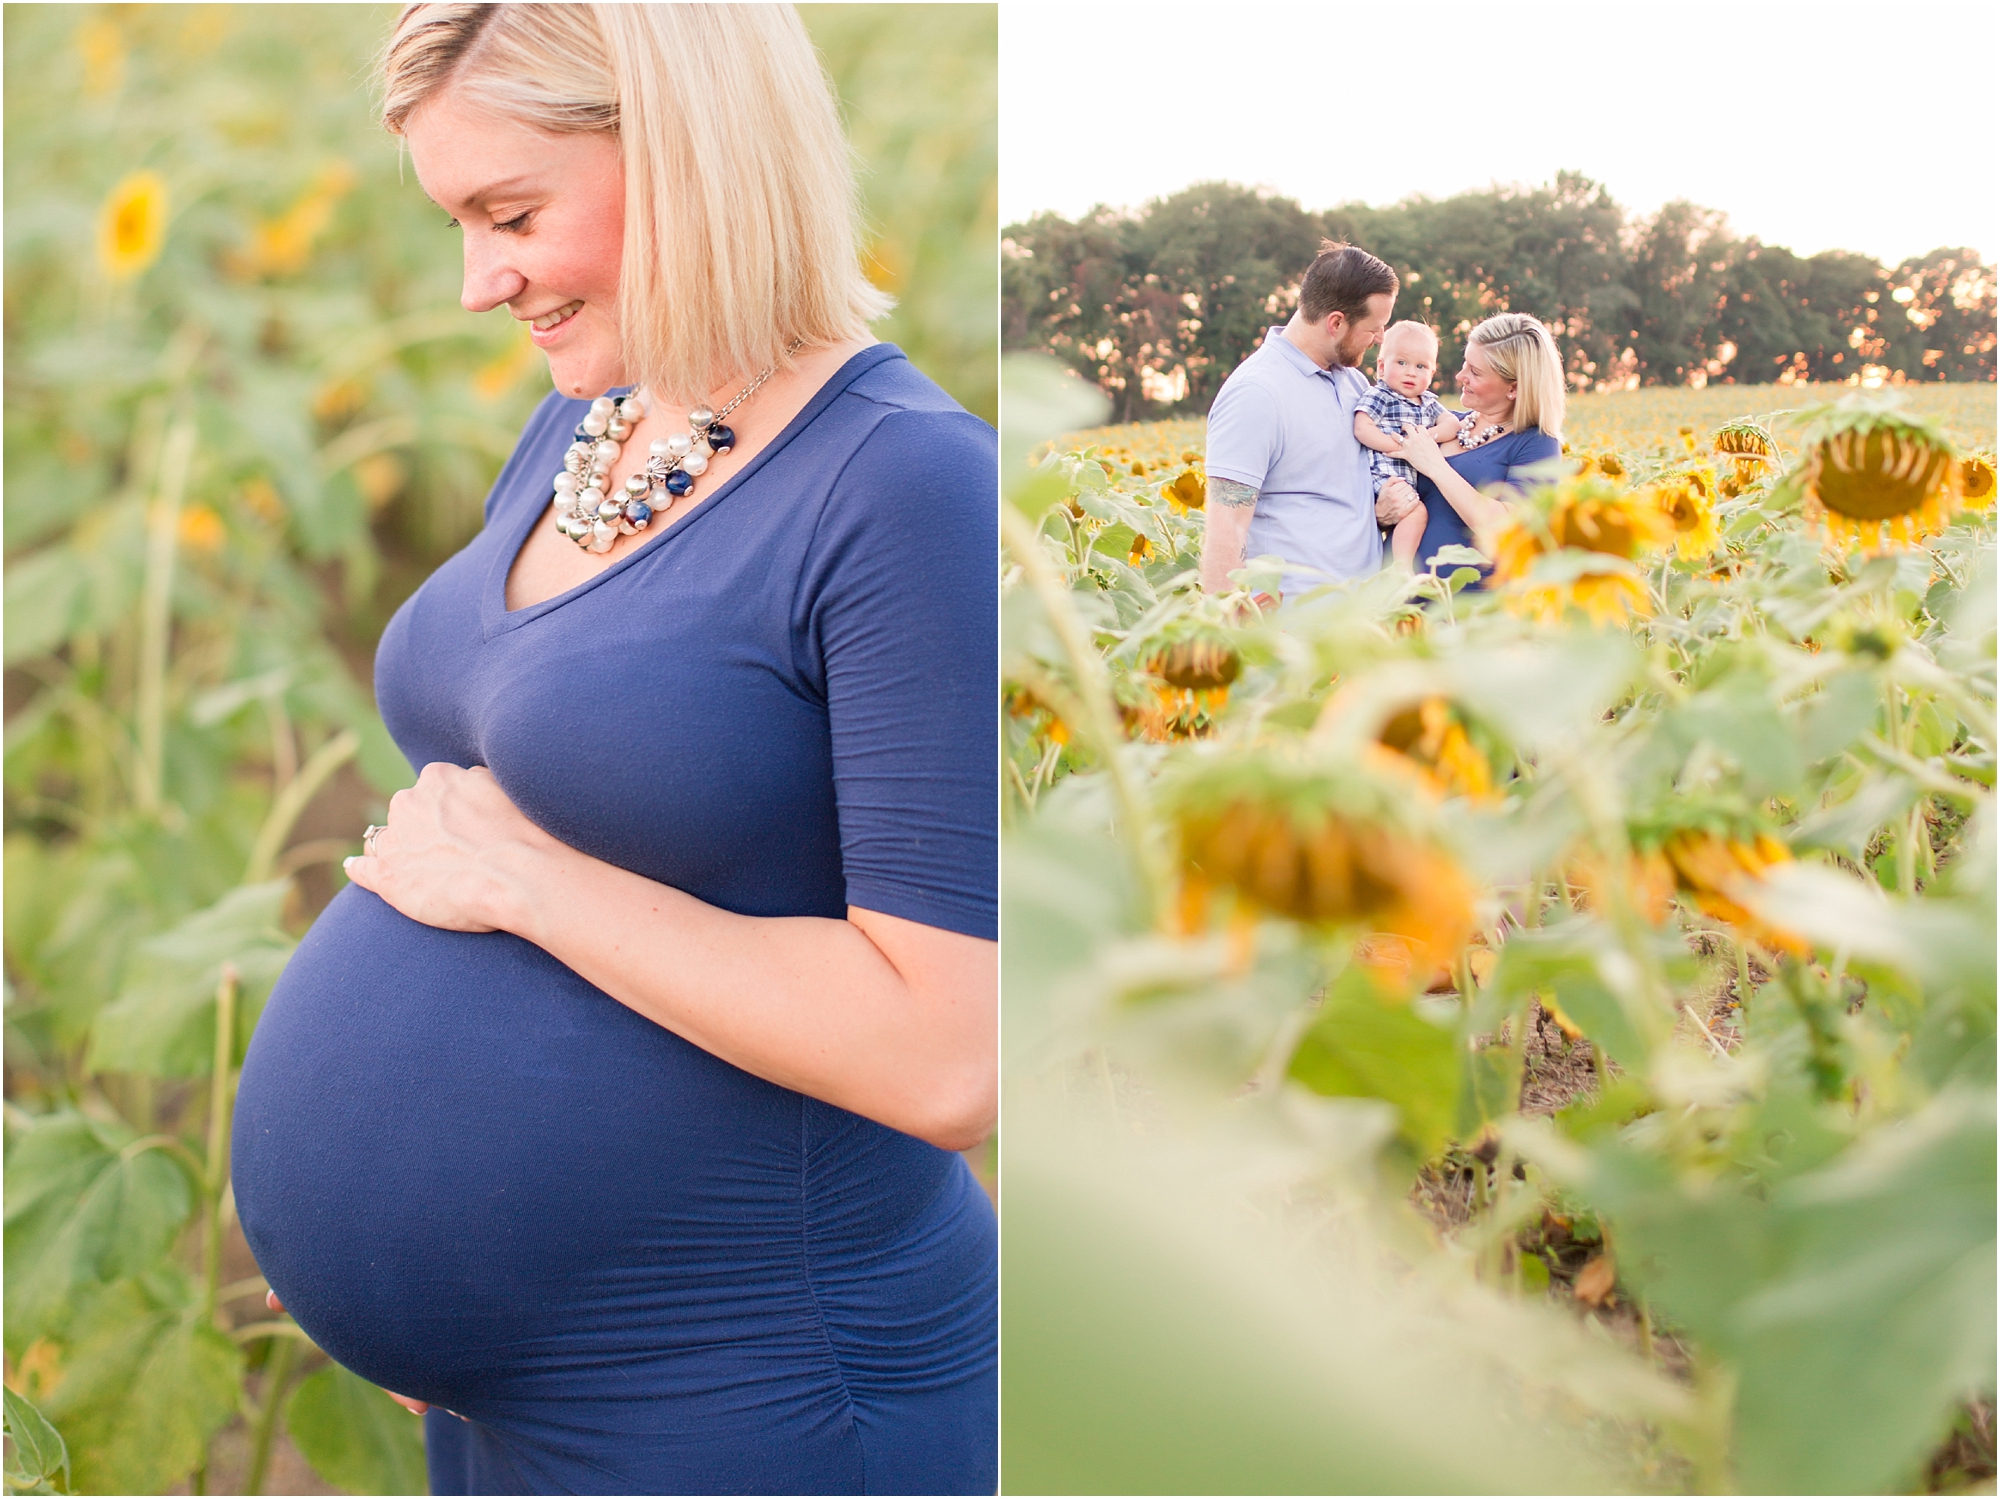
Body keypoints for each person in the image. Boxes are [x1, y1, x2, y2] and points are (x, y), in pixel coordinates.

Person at [229, 6, 997, 1495]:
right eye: (458, 221)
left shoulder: (905, 487)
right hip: (521, 1397)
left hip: (753, 1390)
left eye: (512, 214)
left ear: (695, 154)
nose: (477, 281)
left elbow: (949, 1052)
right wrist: (420, 1270)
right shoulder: (598, 417)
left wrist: (530, 886)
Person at [1199, 241, 1397, 601]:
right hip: (1291, 631)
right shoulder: (1257, 392)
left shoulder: (1354, 382)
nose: (1381, 337)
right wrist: (1228, 634)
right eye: (1375, 326)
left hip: (1358, 624)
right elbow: (1226, 525)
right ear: (1336, 322)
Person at [1374, 311, 1565, 577]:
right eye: (1466, 364)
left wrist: (1436, 467)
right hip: (1395, 604)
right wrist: (1381, 513)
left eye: (1475, 372)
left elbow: (1509, 529)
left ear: (1514, 388)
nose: (1460, 376)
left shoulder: (1537, 445)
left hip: (1467, 610)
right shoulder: (1446, 424)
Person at [1353, 320, 1466, 570]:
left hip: (1405, 478)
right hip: (1383, 476)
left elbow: (1452, 424)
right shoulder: (1381, 395)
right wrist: (1399, 447)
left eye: (1421, 366)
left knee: (1415, 514)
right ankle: (1400, 570)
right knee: (1417, 513)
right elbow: (1362, 427)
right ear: (1382, 366)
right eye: (1402, 362)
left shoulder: (1428, 402)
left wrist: (1426, 437)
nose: (1411, 372)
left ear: (1432, 373)